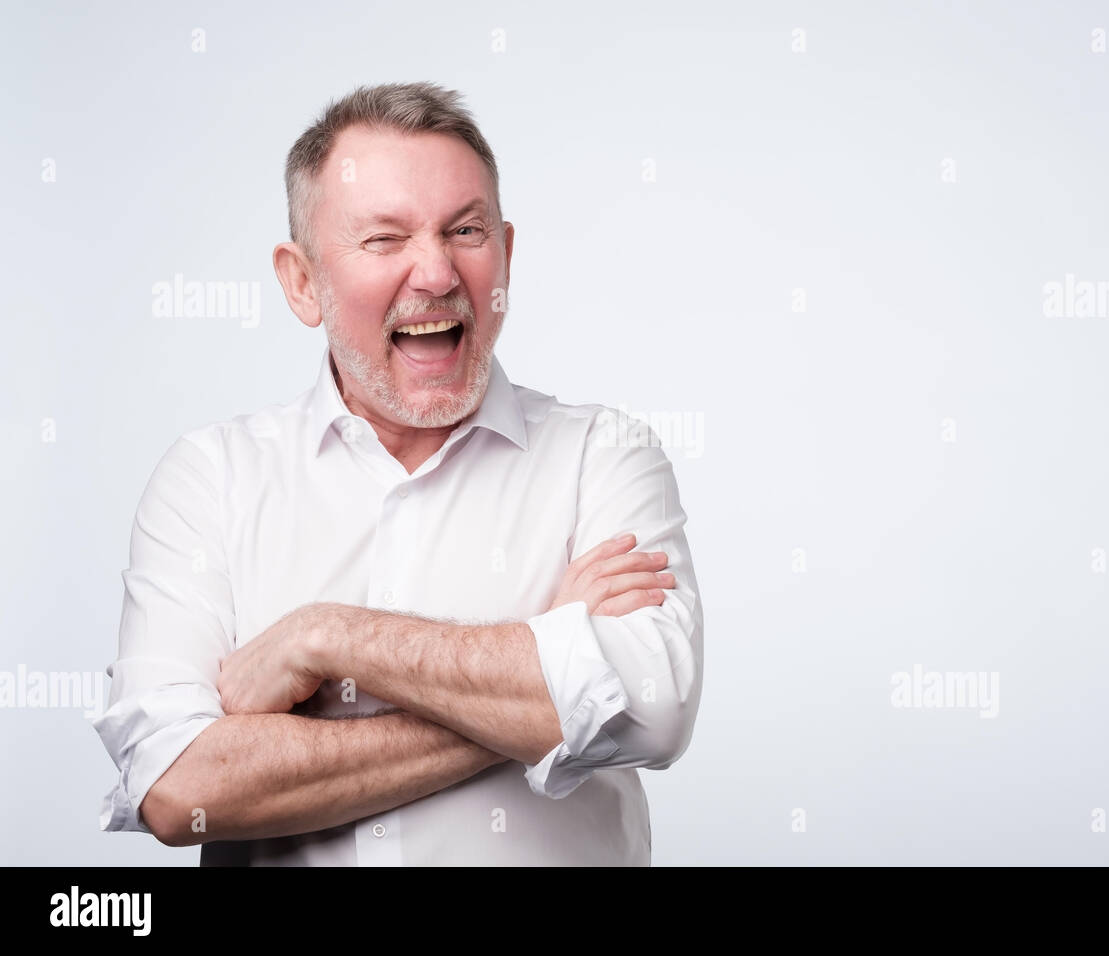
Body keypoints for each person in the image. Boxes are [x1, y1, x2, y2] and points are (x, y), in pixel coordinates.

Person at [92, 82, 704, 866]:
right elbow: (180, 789)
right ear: (302, 282)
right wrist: (540, 679)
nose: (438, 273)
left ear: (506, 256)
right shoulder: (210, 479)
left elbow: (650, 710)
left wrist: (327, 636)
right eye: (385, 240)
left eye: (466, 231)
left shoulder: (604, 455)